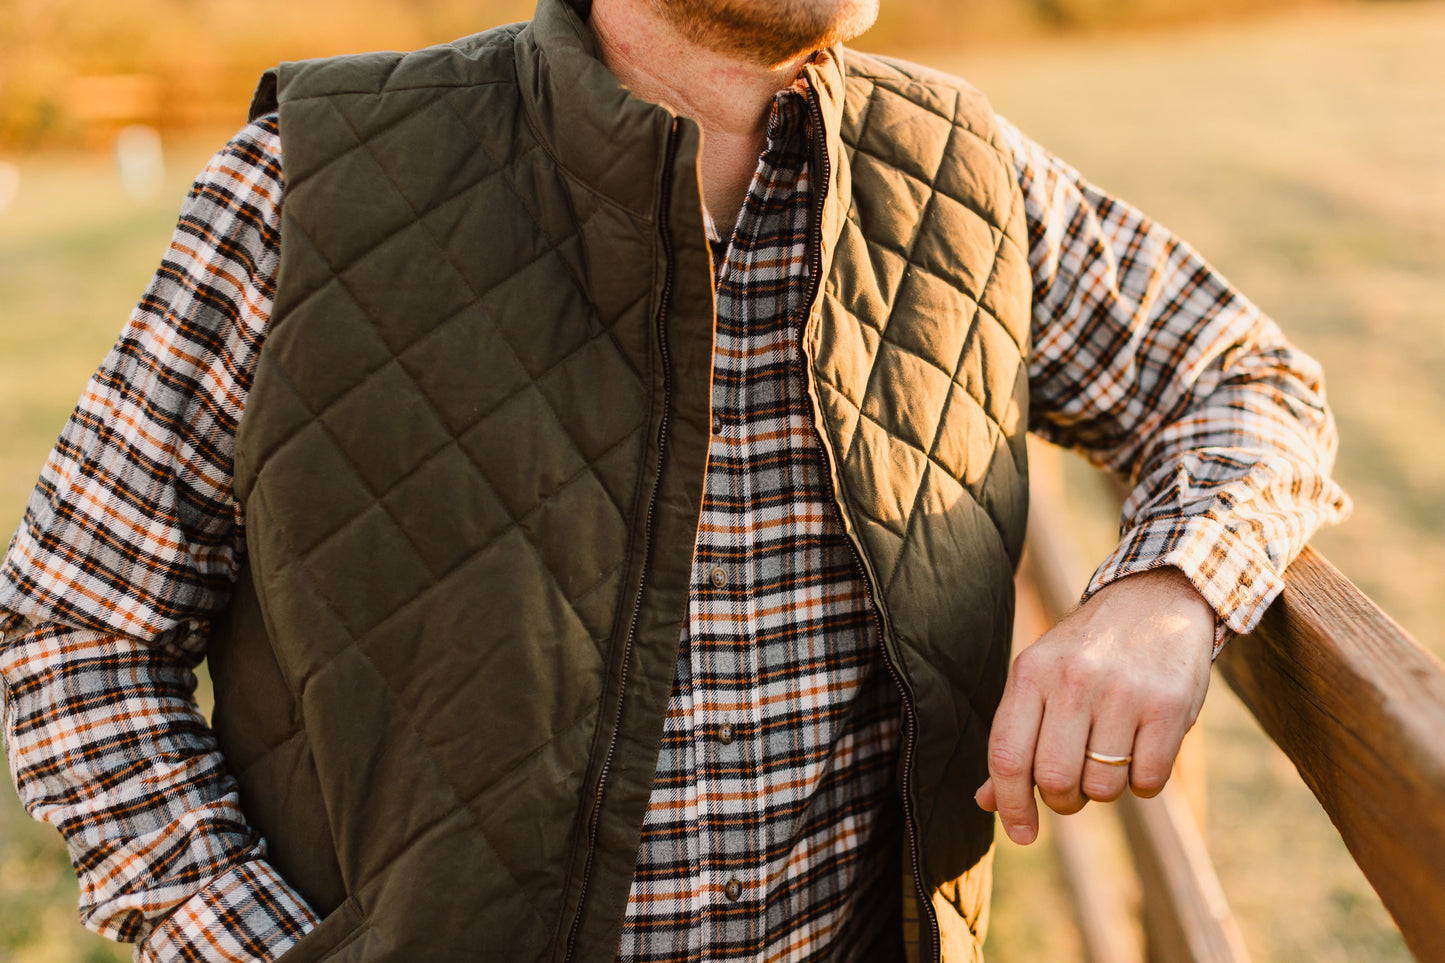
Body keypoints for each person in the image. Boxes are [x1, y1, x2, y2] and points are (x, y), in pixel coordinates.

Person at [0, 0, 1350, 959]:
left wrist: (1167, 588)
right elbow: (74, 633)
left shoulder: (966, 176)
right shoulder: (310, 180)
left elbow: (1243, 378)